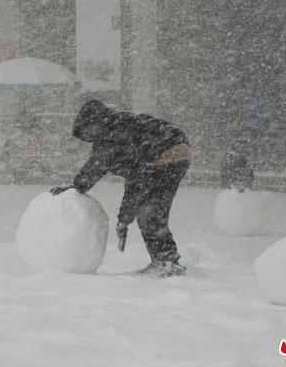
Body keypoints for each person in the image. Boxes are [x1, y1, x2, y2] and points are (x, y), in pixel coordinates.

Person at [50, 100, 190, 277]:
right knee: (153, 212)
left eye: (87, 133)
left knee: (149, 214)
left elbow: (96, 166)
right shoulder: (122, 127)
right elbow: (135, 182)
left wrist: (76, 187)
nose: (88, 139)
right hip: (177, 151)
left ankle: (166, 263)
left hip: (164, 151)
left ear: (93, 123)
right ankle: (169, 262)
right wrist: (124, 218)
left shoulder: (111, 132)